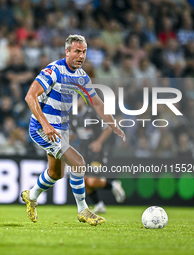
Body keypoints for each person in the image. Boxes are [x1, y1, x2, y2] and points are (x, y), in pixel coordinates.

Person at [21, 34, 126, 226]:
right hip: (43, 128)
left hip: (60, 130)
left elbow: (96, 103)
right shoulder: (53, 71)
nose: (81, 55)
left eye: (84, 52)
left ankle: (31, 195)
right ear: (67, 51)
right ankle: (83, 210)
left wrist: (112, 124)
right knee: (78, 163)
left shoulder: (81, 76)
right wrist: (45, 124)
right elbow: (30, 97)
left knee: (56, 174)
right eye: (77, 51)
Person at [70, 97, 125, 214]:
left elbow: (109, 127)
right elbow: (74, 134)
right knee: (83, 181)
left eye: (77, 99)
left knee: (91, 181)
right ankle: (99, 204)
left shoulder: (92, 113)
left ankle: (113, 185)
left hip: (97, 153)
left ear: (82, 100)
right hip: (84, 153)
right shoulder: (73, 117)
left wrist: (99, 142)